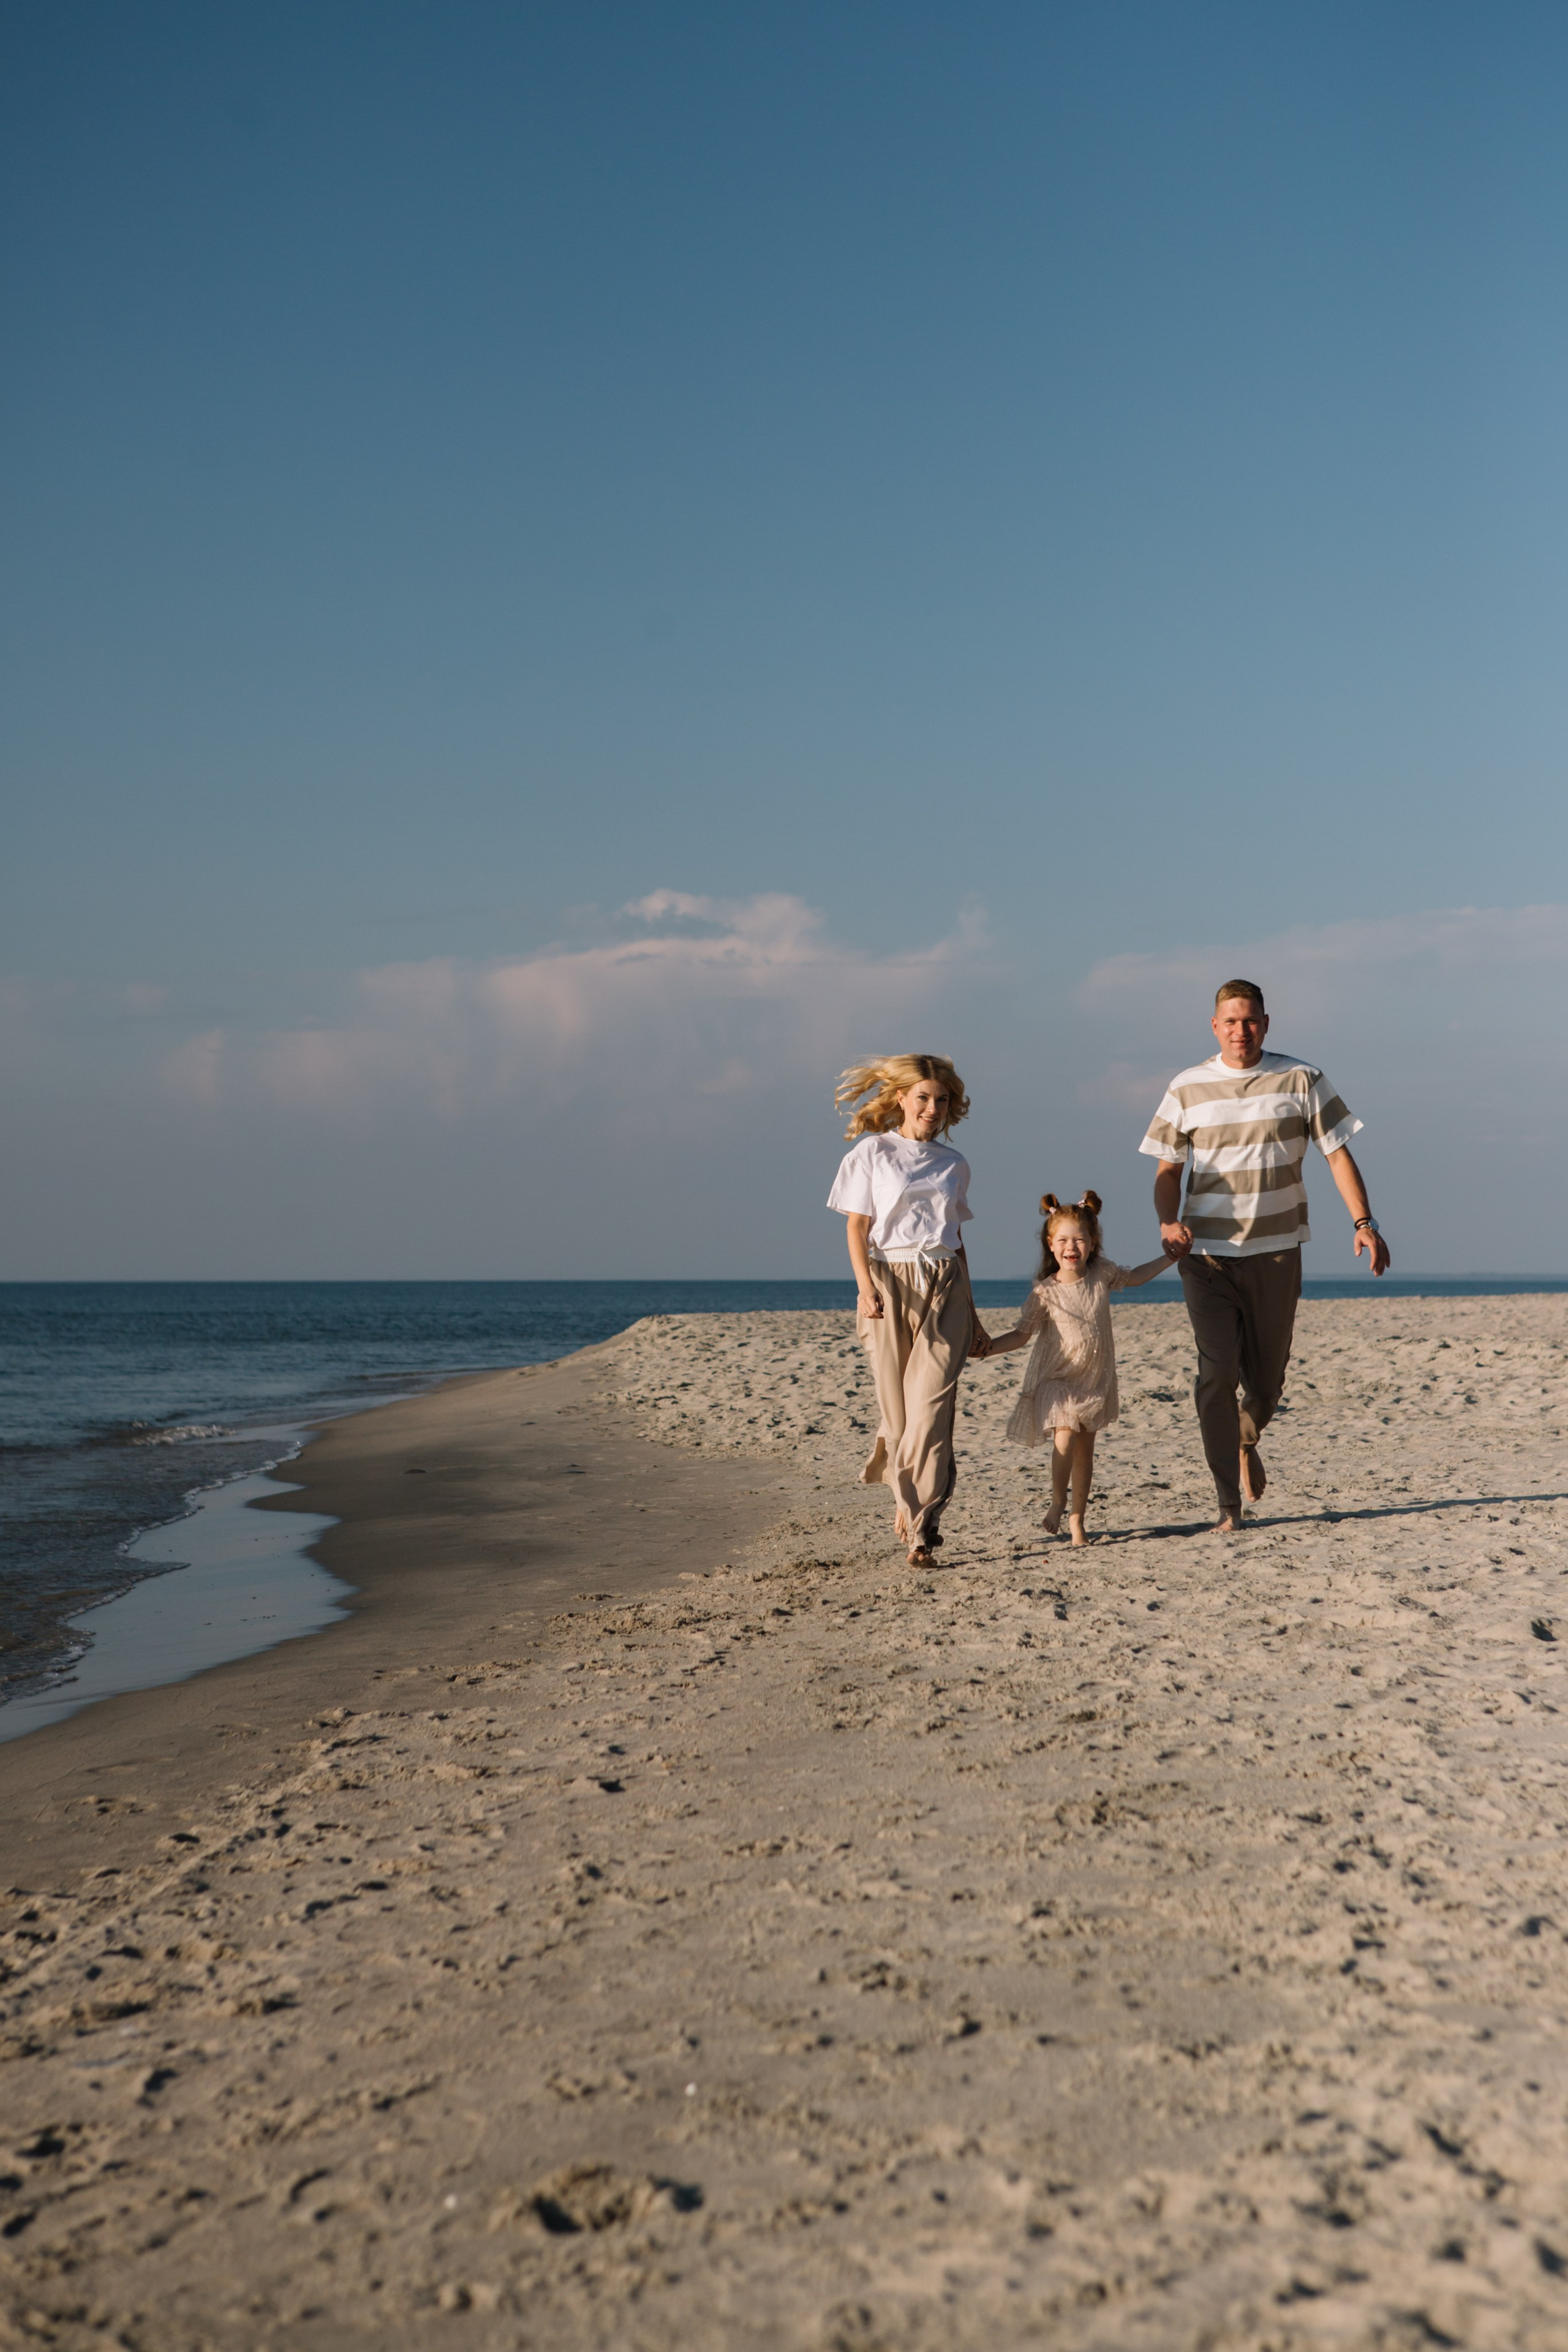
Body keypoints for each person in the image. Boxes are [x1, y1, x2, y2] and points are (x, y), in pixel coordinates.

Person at [1141, 980, 1392, 1534]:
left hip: (1277, 1253)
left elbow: (1338, 1154)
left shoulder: (1301, 1078)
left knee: (1268, 1383)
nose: (1241, 1030)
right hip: (1204, 1255)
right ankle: (1228, 1504)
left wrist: (1365, 1223)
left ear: (1266, 1023)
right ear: (1215, 1027)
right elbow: (1167, 1171)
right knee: (1216, 1373)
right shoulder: (1186, 1087)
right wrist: (1167, 1221)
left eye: (1250, 1020)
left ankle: (1243, 1439)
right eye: (1230, 1021)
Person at [827, 1054, 991, 1567]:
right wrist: (864, 1287)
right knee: (899, 1416)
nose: (933, 1108)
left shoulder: (954, 1163)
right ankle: (905, 1499)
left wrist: (974, 1311)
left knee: (933, 1410)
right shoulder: (871, 1153)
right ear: (901, 1098)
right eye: (923, 1097)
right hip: (888, 1282)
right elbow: (857, 1228)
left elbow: (957, 1239)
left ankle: (922, 1528)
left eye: (942, 1100)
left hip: (945, 1282)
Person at [982, 1191, 1174, 1546]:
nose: (1072, 1247)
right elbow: (1021, 1336)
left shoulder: (1102, 1273)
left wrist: (1169, 1257)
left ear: (1093, 1243)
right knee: (1065, 1435)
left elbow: (1138, 1277)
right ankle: (1057, 1502)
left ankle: (1077, 1522)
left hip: (1094, 1379)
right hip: (1057, 1378)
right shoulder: (1046, 1292)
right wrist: (987, 1349)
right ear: (1050, 1245)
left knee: (1085, 1454)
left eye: (1080, 1240)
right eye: (1063, 1241)